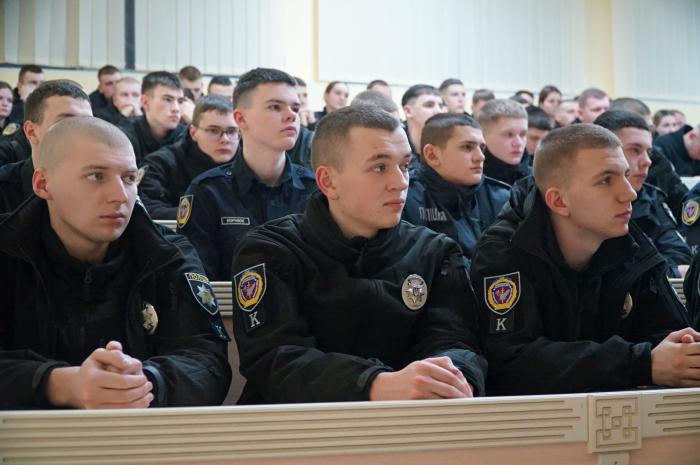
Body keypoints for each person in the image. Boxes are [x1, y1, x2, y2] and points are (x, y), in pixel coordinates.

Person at [231, 104, 486, 404]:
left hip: (414, 420)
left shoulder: (434, 251)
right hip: (295, 425)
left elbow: (457, 342)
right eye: (379, 168)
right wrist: (373, 384)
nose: (401, 182)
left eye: (405, 166)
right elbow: (274, 358)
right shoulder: (270, 250)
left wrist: (452, 378)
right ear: (328, 182)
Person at [0, 116, 231, 409]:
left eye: (129, 178)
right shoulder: (8, 247)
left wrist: (144, 382)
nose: (120, 196)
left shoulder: (168, 253)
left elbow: (207, 361)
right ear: (43, 184)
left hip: (143, 432)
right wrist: (57, 384)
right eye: (96, 176)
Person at [470, 124, 694, 395]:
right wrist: (640, 363)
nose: (630, 193)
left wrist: (680, 355)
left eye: (624, 175)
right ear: (559, 201)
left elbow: (670, 333)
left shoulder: (629, 243)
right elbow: (510, 361)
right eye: (605, 180)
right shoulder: (504, 252)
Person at [178, 67, 316, 281]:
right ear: (241, 119)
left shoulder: (314, 189)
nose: (291, 115)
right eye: (275, 107)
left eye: (295, 108)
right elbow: (197, 280)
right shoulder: (208, 192)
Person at [594, 110, 691, 278]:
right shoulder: (586, 202)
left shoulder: (648, 196)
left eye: (649, 152)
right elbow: (612, 272)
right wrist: (671, 272)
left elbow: (681, 253)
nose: (648, 161)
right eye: (635, 150)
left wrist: (667, 271)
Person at [403, 113, 509, 264]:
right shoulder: (404, 199)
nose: (480, 157)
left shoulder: (501, 197)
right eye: (467, 147)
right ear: (432, 155)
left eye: (482, 148)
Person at [139, 95, 239, 220]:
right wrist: (206, 215)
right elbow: (148, 210)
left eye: (232, 131)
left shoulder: (249, 163)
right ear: (193, 132)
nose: (225, 139)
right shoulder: (160, 163)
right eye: (213, 130)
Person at [0, 80, 92, 213]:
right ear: (31, 132)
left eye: (89, 123)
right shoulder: (4, 189)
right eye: (67, 122)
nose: (81, 132)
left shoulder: (104, 183)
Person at [118, 71, 187, 164]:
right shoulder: (124, 136)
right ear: (145, 102)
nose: (176, 109)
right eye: (167, 99)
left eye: (180, 101)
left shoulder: (186, 136)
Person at [479, 99, 530, 185]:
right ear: (483, 137)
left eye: (522, 134)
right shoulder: (468, 182)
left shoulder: (539, 179)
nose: (518, 143)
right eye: (509, 134)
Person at [401, 84, 445, 171]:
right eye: (429, 105)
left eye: (440, 106)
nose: (438, 111)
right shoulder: (394, 146)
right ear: (408, 111)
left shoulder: (450, 142)